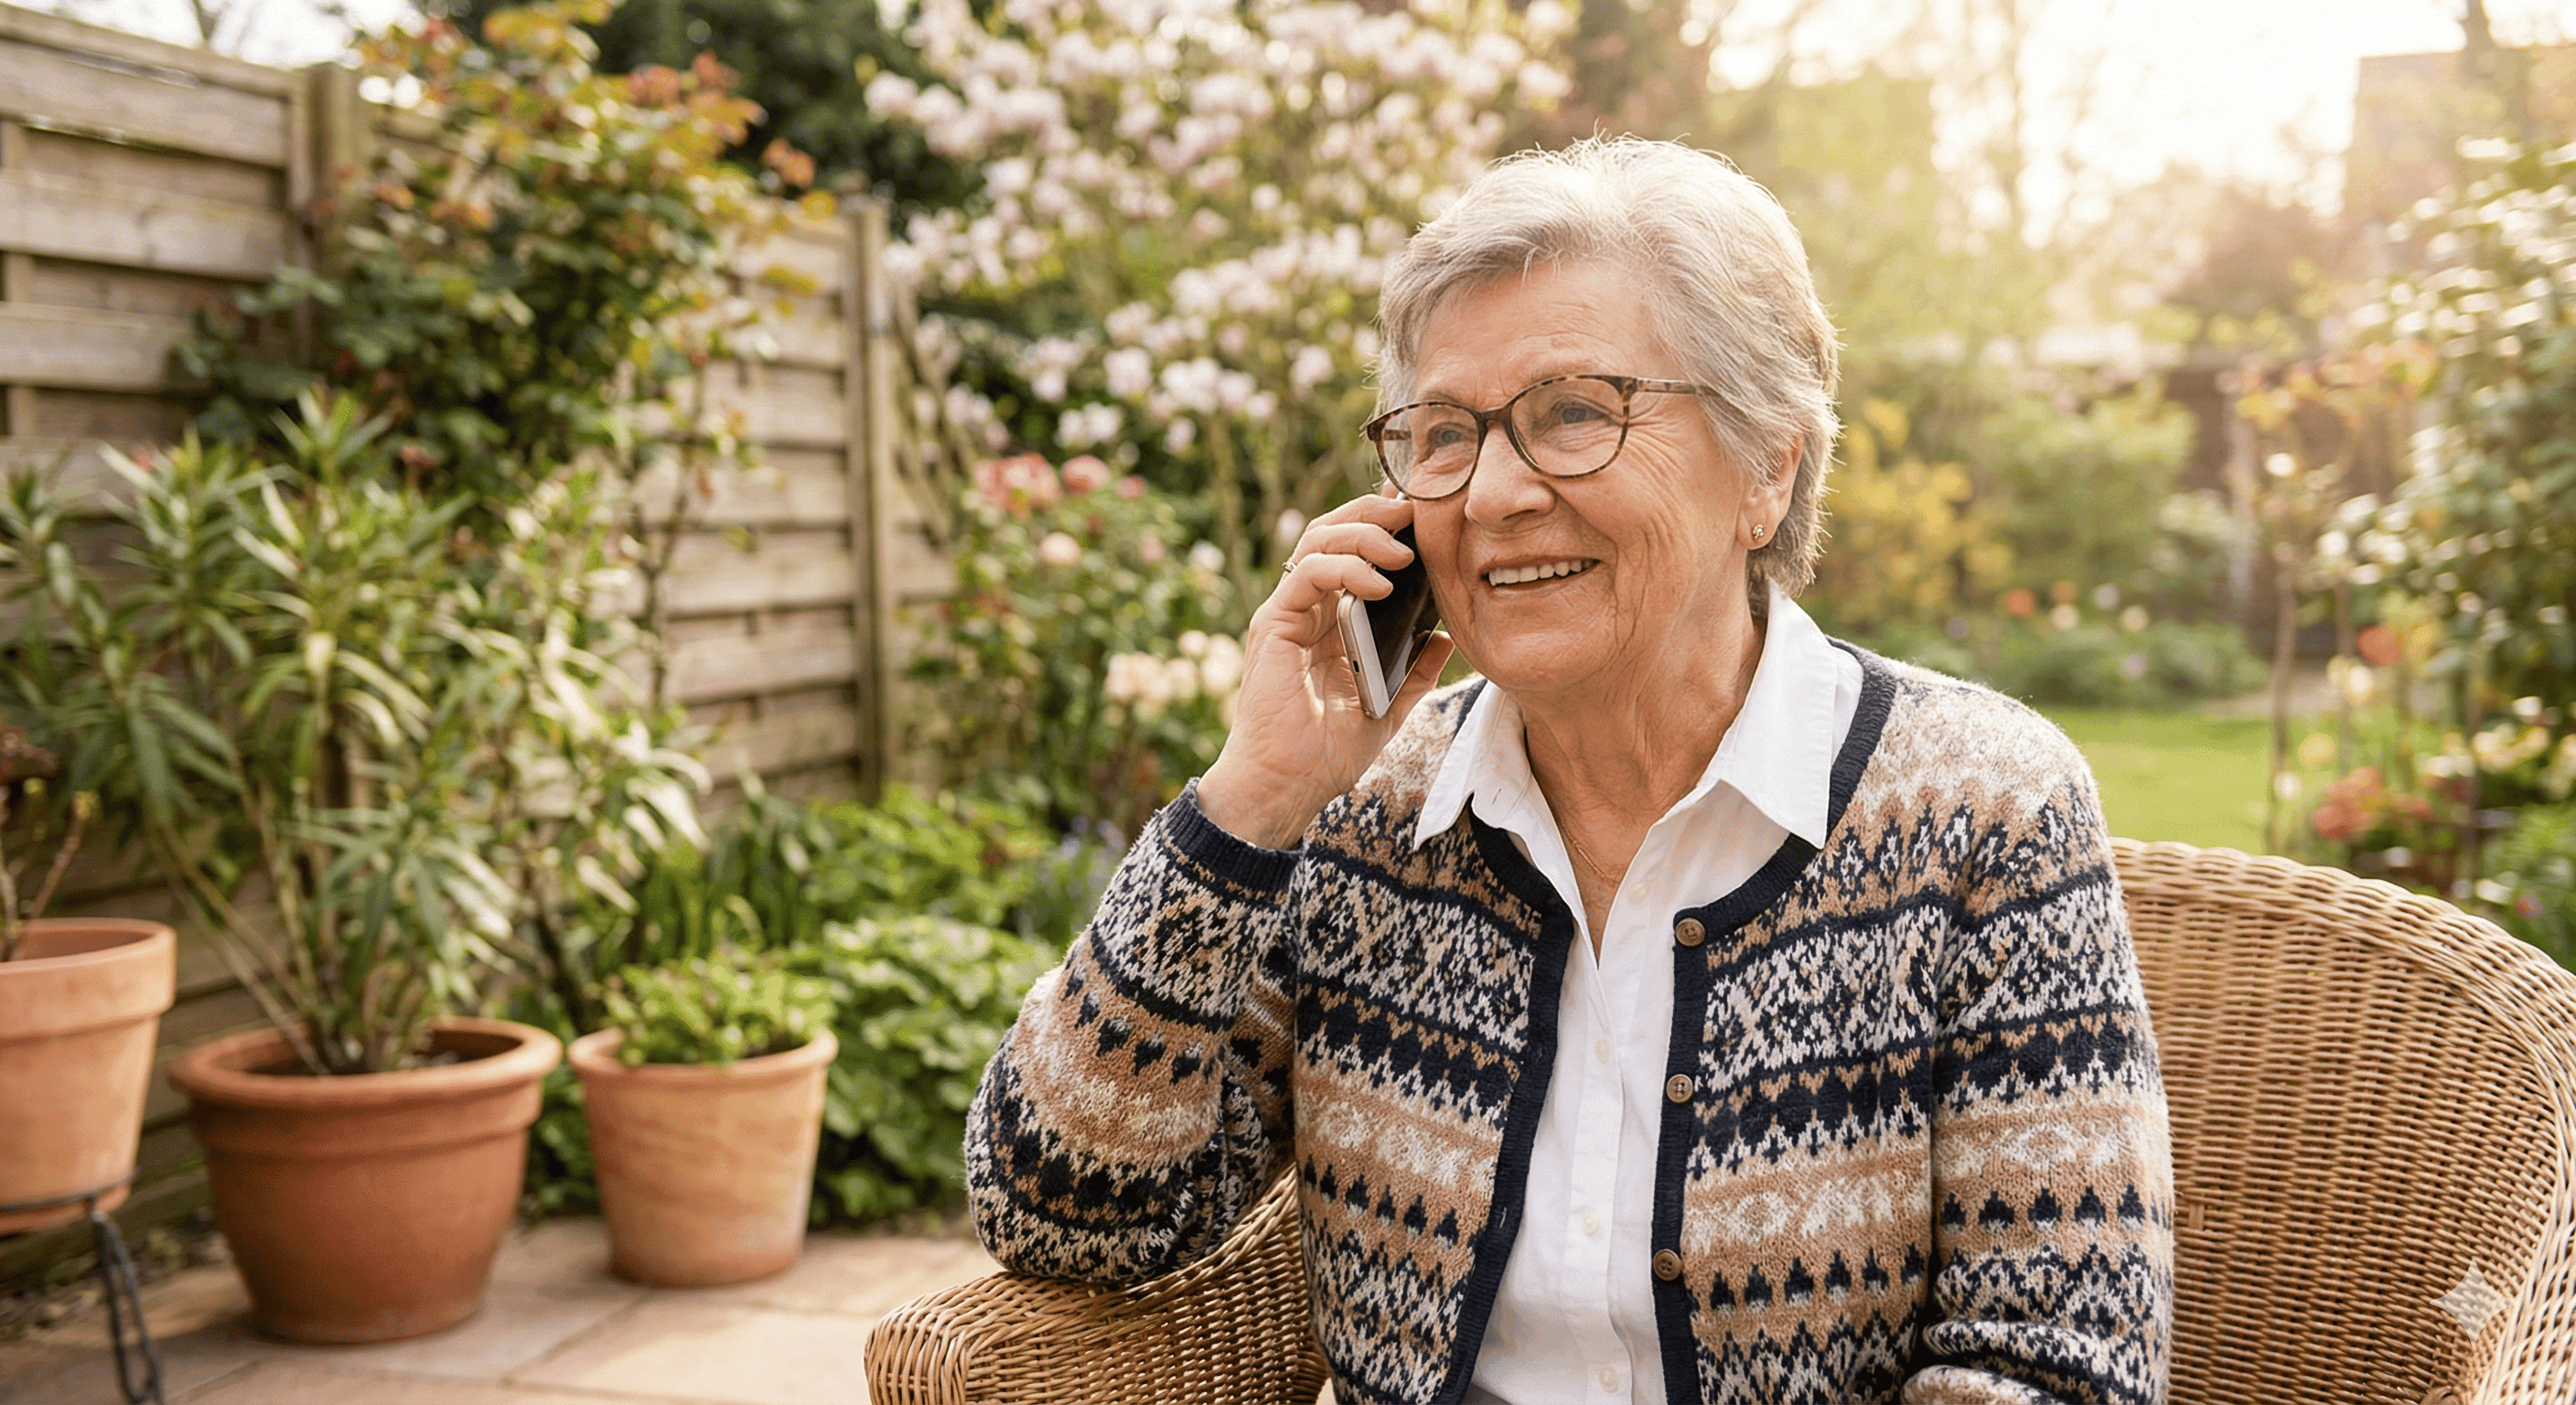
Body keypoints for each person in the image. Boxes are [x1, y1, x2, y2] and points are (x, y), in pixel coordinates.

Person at [964, 138, 2174, 1405]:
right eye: (1442, 435)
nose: (1490, 493)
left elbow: (2060, 1367)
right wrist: (1253, 799)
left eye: (1574, 415)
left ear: (1769, 466)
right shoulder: (1361, 816)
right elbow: (1061, 1218)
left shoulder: (1988, 812)